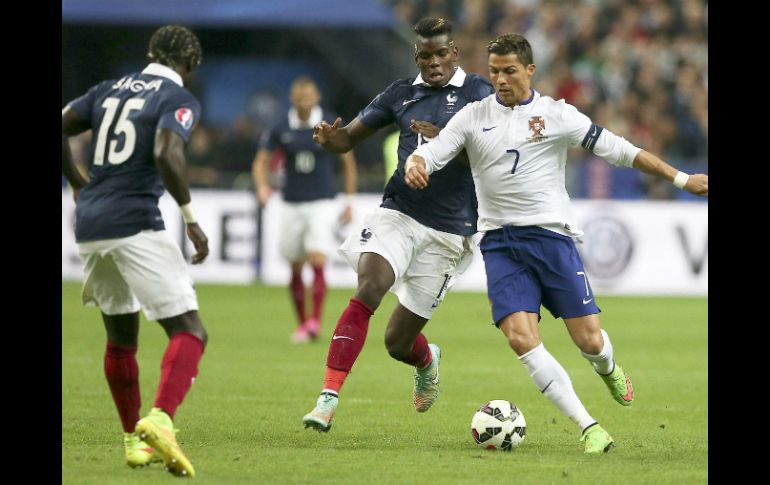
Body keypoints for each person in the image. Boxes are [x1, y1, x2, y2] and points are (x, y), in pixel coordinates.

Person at [404, 33, 708, 453]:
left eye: (509, 70)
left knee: (590, 342)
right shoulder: (473, 117)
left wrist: (682, 178)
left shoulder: (556, 115)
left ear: (530, 70)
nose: (501, 79)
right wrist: (415, 164)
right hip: (499, 243)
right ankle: (589, 427)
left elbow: (621, 150)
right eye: (494, 71)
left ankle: (609, 367)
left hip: (551, 239)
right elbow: (433, 152)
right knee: (520, 339)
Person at [302, 17, 495, 432]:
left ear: (454, 53)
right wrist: (330, 139)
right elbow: (348, 138)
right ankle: (328, 398)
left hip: (450, 230)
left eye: (442, 53)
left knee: (397, 343)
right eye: (425, 55)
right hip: (399, 212)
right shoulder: (400, 94)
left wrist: (442, 140)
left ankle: (427, 360)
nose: (434, 62)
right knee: (370, 285)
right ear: (416, 57)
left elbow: (490, 152)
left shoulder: (480, 91)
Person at [61, 25, 210, 476]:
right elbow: (167, 153)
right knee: (190, 330)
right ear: (189, 65)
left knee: (121, 337)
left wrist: (77, 182)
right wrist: (190, 220)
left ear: (150, 54)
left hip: (89, 224)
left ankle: (134, 441)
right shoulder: (177, 98)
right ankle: (161, 420)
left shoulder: (107, 89)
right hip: (132, 220)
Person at [252, 76, 358, 343]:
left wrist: (349, 200)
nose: (304, 102)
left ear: (317, 98)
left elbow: (348, 162)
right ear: (293, 100)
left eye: (308, 97)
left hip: (321, 201)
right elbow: (261, 161)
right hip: (290, 203)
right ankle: (302, 323)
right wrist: (262, 187)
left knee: (317, 258)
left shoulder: (329, 123)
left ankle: (315, 322)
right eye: (300, 98)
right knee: (295, 265)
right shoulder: (280, 128)